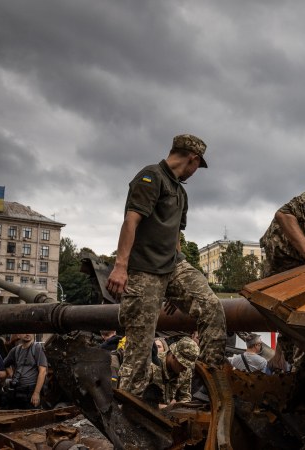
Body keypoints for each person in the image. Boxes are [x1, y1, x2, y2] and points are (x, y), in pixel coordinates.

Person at [106, 133, 227, 400]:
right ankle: (128, 412)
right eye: (197, 167)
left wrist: (177, 286)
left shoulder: (181, 193)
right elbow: (131, 221)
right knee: (138, 351)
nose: (195, 172)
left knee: (211, 306)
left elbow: (175, 238)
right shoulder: (151, 177)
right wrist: (120, 267)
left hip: (172, 267)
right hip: (144, 272)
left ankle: (207, 387)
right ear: (193, 160)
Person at [143, 337, 199, 407]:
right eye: (183, 364)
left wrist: (181, 407)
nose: (185, 368)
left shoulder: (186, 371)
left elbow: (185, 396)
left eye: (188, 365)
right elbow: (138, 396)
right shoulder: (152, 365)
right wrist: (157, 406)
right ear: (173, 355)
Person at [2, 333, 47, 409]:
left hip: (31, 392)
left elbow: (42, 372)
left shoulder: (37, 348)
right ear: (18, 335)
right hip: (17, 391)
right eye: (24, 331)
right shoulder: (15, 350)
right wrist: (12, 374)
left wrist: (36, 393)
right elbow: (5, 364)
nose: (27, 334)